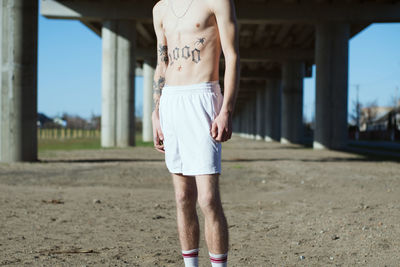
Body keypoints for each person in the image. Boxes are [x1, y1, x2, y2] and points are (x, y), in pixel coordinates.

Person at [151, 0, 240, 266]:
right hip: (171, 101)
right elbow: (161, 62)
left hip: (202, 97)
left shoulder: (217, 2)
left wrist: (226, 110)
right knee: (182, 197)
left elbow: (232, 56)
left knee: (208, 199)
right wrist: (156, 112)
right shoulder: (160, 9)